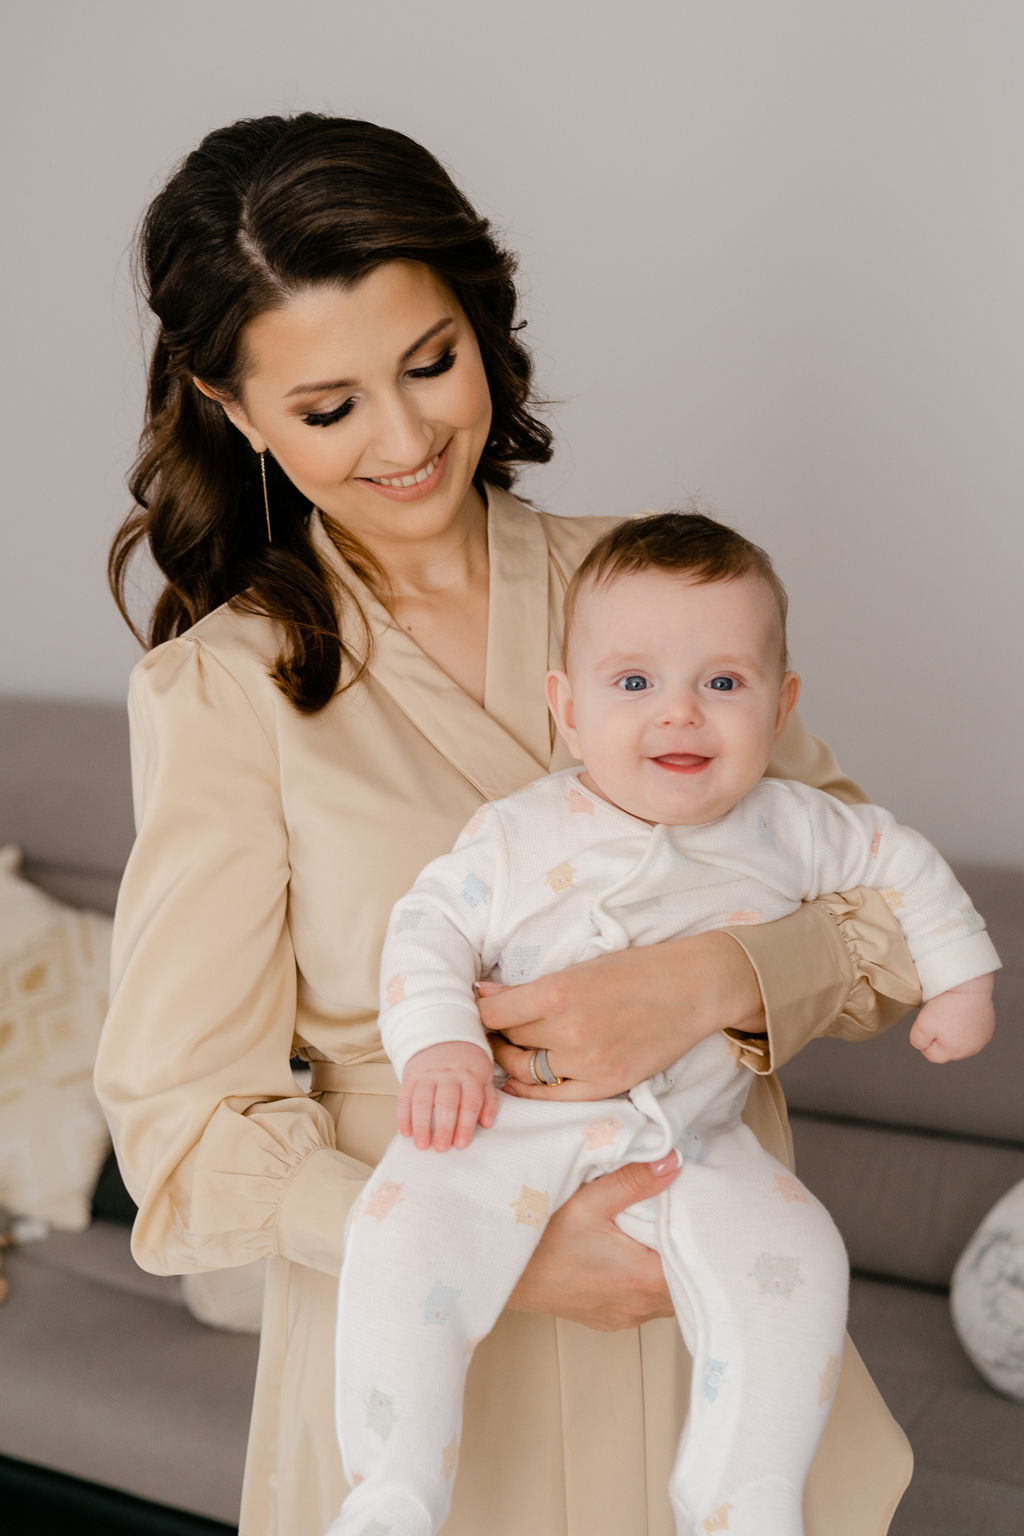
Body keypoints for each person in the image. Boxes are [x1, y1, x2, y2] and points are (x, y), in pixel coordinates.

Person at [94, 112, 929, 1536]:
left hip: (707, 1305)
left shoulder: (656, 607)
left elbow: (896, 926)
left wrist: (719, 982)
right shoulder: (217, 693)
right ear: (235, 412)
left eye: (432, 363)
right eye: (329, 405)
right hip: (427, 1346)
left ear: (482, 322)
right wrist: (506, 1259)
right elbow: (181, 1131)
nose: (409, 439)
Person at [332, 512, 997, 1536]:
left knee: (799, 1261)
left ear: (779, 706)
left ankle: (743, 1500)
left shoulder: (791, 824)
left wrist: (960, 982)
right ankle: (390, 1495)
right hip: (500, 1131)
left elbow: (900, 866)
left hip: (693, 1146)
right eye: (633, 684)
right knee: (401, 1235)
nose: (678, 714)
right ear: (567, 707)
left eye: (721, 684)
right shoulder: (517, 834)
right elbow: (426, 931)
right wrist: (441, 1044)